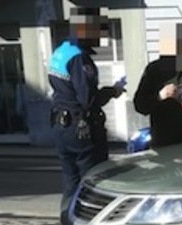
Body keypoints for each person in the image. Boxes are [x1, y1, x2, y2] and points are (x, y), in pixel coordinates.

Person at [48, 7, 125, 213]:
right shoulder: (79, 58)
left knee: (71, 186)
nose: (100, 37)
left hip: (61, 127)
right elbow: (87, 100)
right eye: (98, 31)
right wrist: (113, 91)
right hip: (80, 130)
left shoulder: (60, 51)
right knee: (92, 186)